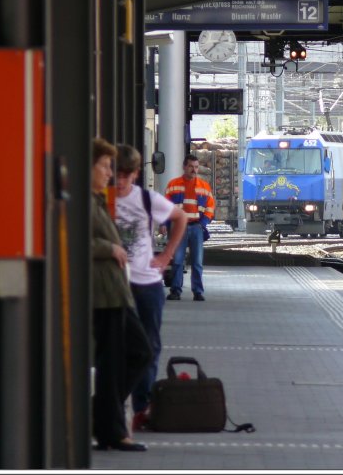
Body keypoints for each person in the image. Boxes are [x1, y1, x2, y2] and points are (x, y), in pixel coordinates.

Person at [114, 144, 187, 431]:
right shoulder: (102, 200)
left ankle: (142, 407)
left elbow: (180, 217)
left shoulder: (145, 199)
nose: (120, 181)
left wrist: (167, 254)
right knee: (120, 347)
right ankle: (117, 403)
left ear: (133, 174)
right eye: (115, 175)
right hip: (117, 284)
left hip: (148, 284)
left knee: (150, 346)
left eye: (125, 175)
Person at [90, 137, 152, 452]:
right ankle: (110, 429)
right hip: (103, 295)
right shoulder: (85, 203)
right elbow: (73, 240)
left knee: (138, 353)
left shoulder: (98, 200)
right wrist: (109, 247)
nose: (108, 173)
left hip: (116, 293)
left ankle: (102, 415)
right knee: (117, 361)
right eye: (103, 166)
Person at [161, 154, 215, 302]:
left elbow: (210, 206)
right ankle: (176, 291)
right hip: (179, 227)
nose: (194, 170)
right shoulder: (173, 184)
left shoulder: (204, 186)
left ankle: (197, 292)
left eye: (196, 167)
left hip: (196, 226)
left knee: (197, 262)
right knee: (178, 260)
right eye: (191, 166)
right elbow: (166, 206)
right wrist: (165, 224)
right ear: (184, 167)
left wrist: (203, 223)